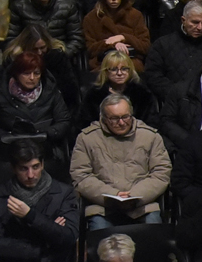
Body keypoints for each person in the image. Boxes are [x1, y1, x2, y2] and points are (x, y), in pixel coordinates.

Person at [70, 94, 173, 227]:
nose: (121, 122)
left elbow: (161, 173)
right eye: (114, 118)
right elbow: (80, 176)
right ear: (104, 118)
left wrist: (135, 195)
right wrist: (113, 195)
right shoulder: (86, 138)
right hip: (102, 206)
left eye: (125, 117)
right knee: (99, 231)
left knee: (153, 234)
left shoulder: (150, 136)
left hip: (143, 205)